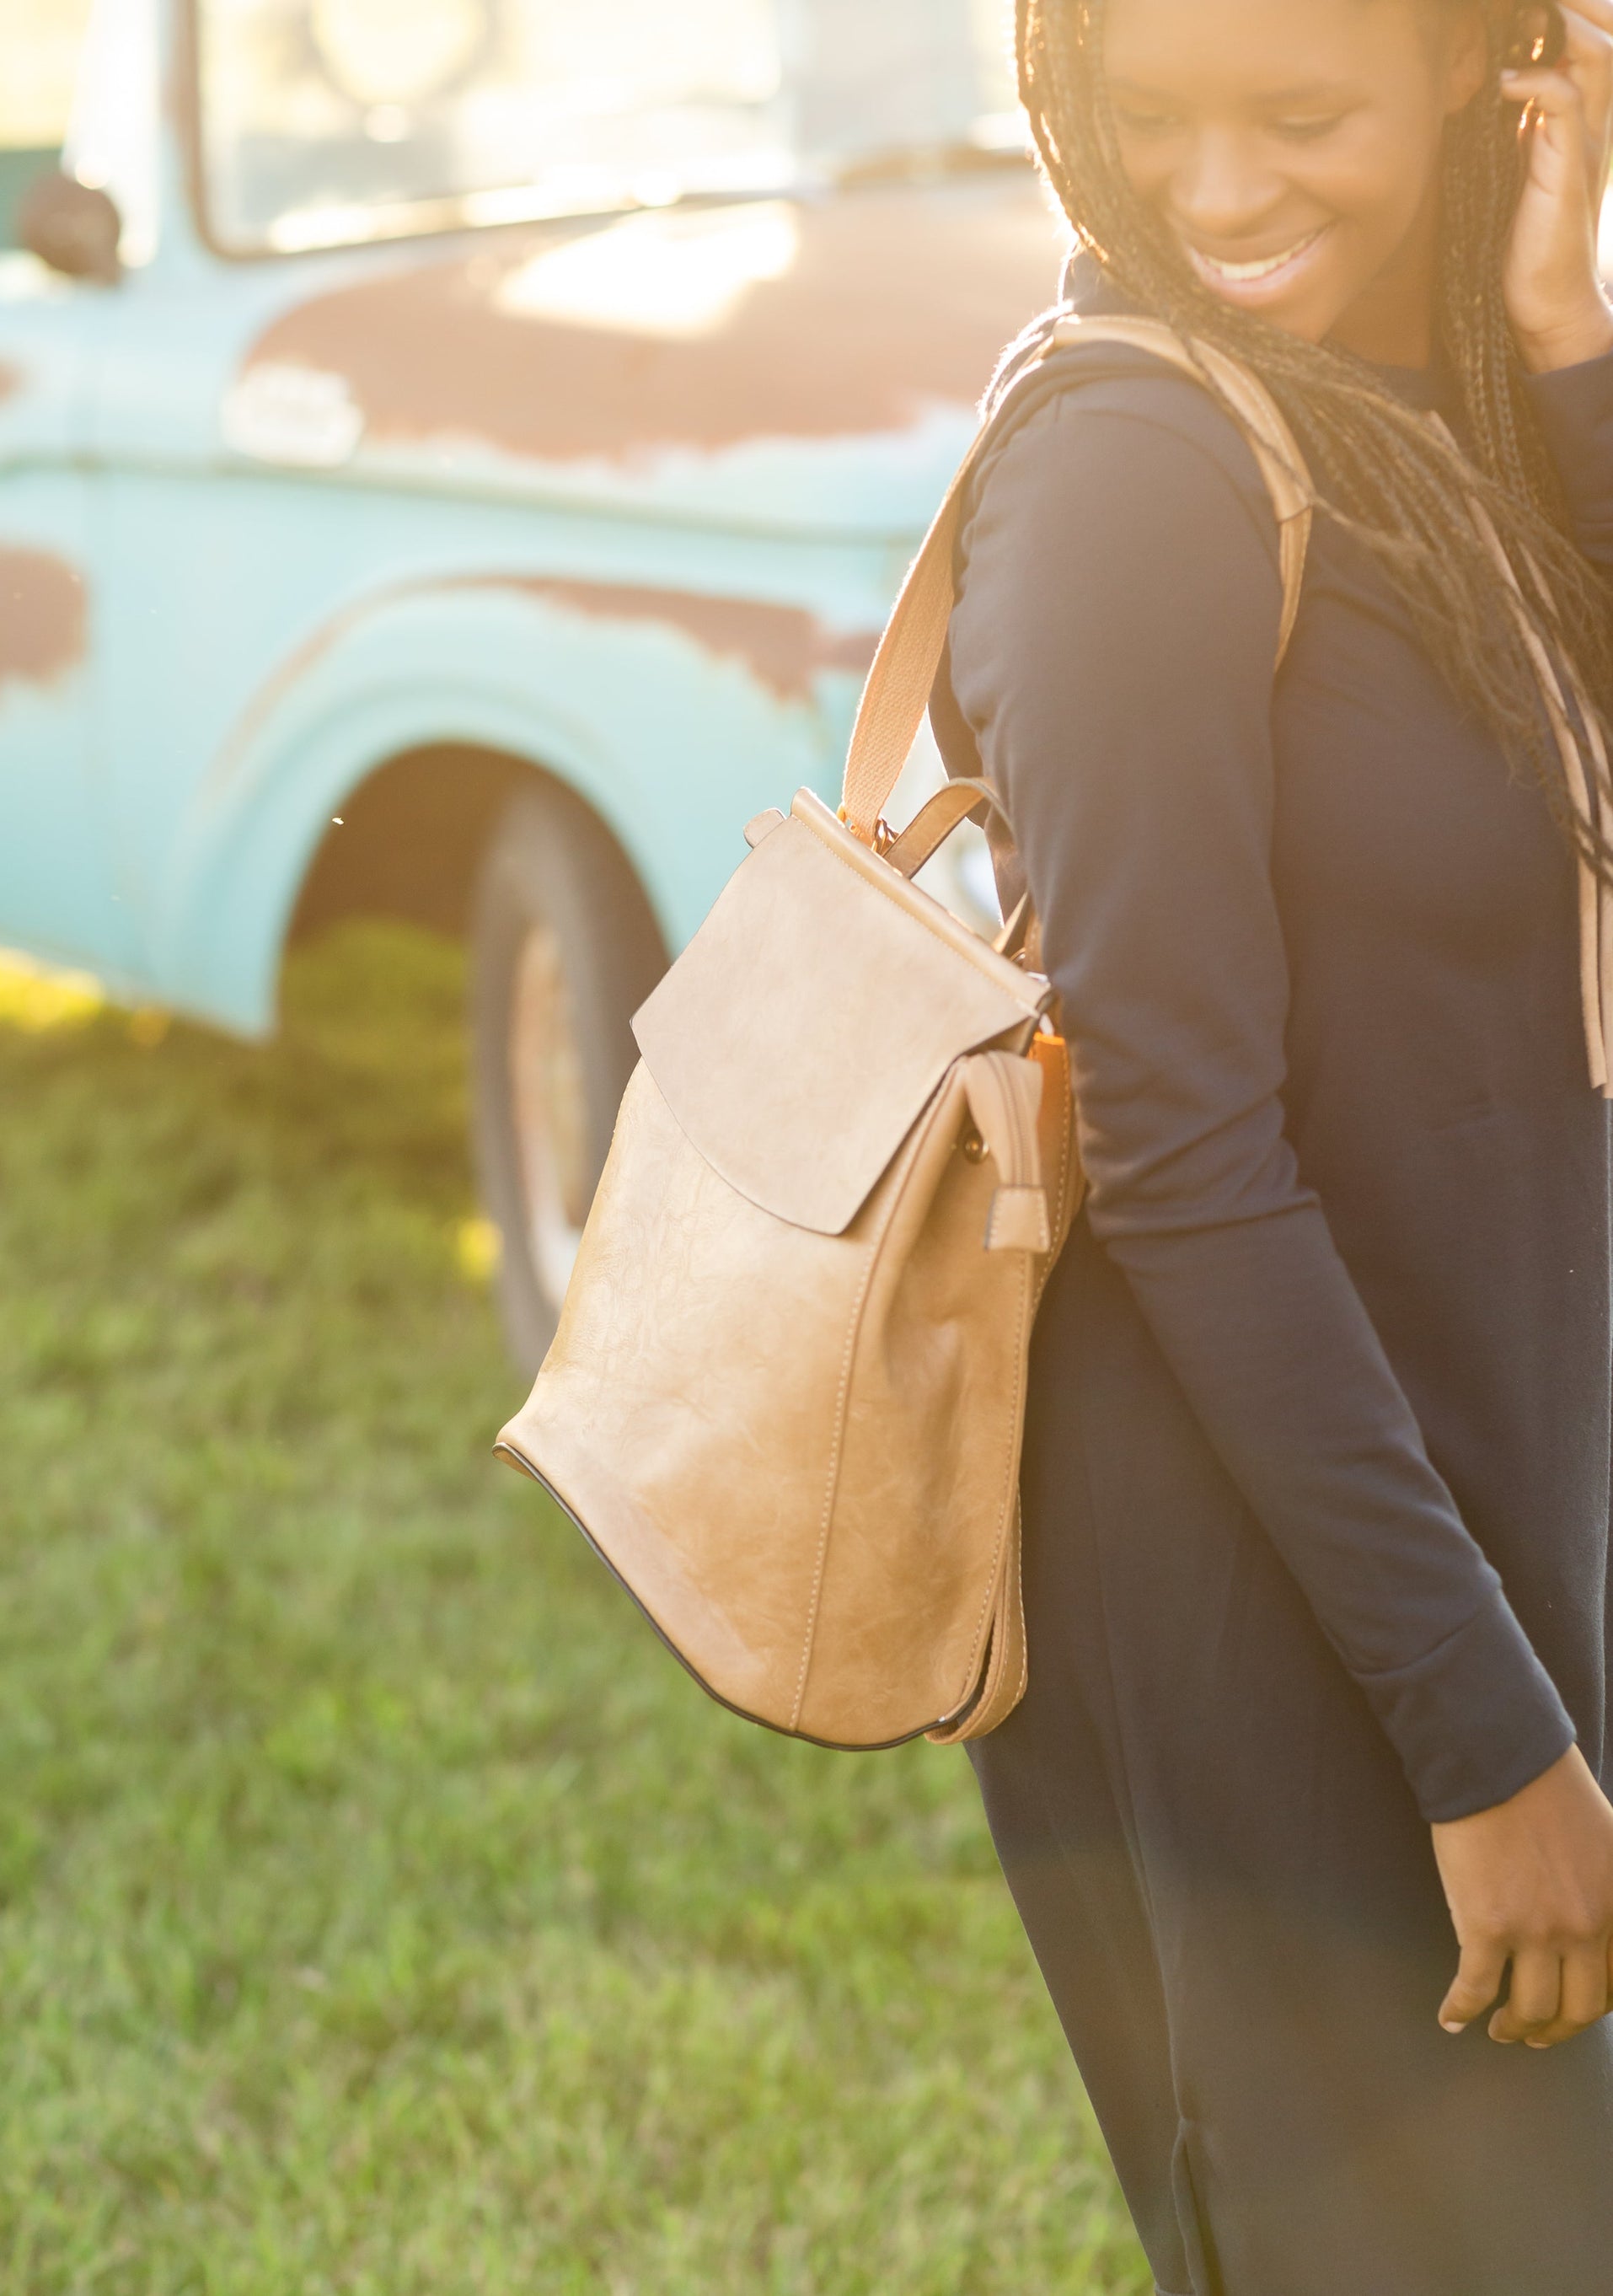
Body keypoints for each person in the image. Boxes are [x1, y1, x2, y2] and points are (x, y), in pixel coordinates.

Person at [929, 2, 1613, 2288]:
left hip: (1466, 1488)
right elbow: (1181, 1152)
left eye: (1297, 117)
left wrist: (1556, 320)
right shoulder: (1129, 477)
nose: (1215, 197)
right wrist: (1478, 1739)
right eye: (1152, 123)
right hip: (1265, 1571)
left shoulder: (1416, 404)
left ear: (1469, 71)